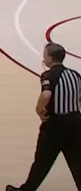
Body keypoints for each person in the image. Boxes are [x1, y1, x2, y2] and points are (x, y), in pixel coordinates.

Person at [7, 42, 81, 191]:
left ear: (50, 59)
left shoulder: (48, 75)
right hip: (76, 123)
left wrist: (38, 109)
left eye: (45, 55)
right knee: (77, 162)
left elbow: (46, 94)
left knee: (42, 162)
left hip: (55, 126)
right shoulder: (75, 75)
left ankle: (26, 190)